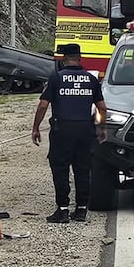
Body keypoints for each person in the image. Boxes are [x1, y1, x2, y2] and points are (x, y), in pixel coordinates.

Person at [31, 43, 106, 223]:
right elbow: (102, 108)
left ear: (64, 59)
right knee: (82, 169)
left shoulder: (56, 78)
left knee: (60, 168)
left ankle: (63, 210)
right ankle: (81, 209)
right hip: (85, 130)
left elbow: (43, 105)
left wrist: (35, 127)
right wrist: (101, 127)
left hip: (62, 130)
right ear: (79, 58)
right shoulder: (91, 79)